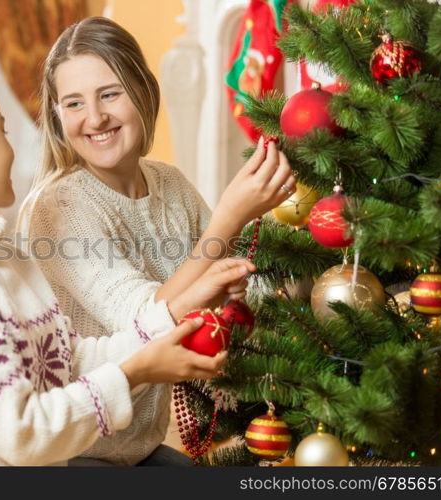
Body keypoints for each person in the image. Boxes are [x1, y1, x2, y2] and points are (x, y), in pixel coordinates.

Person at [0, 65, 255, 466]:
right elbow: (22, 433)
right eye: (3, 131)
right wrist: (136, 372)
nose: (12, 150)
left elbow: (68, 361)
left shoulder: (3, 257)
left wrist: (177, 312)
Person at [18, 16, 296, 465]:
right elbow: (145, 325)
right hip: (72, 453)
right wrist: (229, 219)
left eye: (109, 93)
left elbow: (249, 289)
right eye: (73, 103)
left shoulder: (169, 183)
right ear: (56, 115)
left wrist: (236, 287)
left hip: (137, 448)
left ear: (144, 91)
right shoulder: (59, 209)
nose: (95, 117)